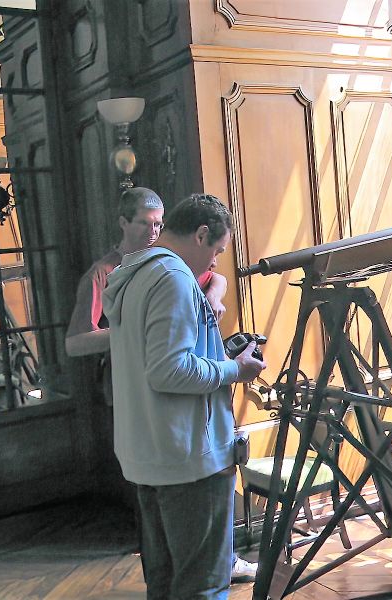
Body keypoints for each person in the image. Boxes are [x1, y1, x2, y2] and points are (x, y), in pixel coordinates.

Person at [103, 193, 266, 598]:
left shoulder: (137, 272)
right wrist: (235, 369)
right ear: (201, 233)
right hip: (188, 460)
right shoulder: (173, 279)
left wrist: (217, 354)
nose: (215, 263)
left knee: (165, 583)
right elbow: (169, 370)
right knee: (203, 586)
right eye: (217, 250)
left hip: (152, 455)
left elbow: (157, 362)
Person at [65, 187, 227, 405]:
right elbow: (75, 344)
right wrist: (140, 329)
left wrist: (214, 297)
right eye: (144, 223)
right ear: (124, 223)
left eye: (159, 224)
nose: (153, 231)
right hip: (130, 385)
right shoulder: (102, 273)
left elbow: (216, 277)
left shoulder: (170, 264)